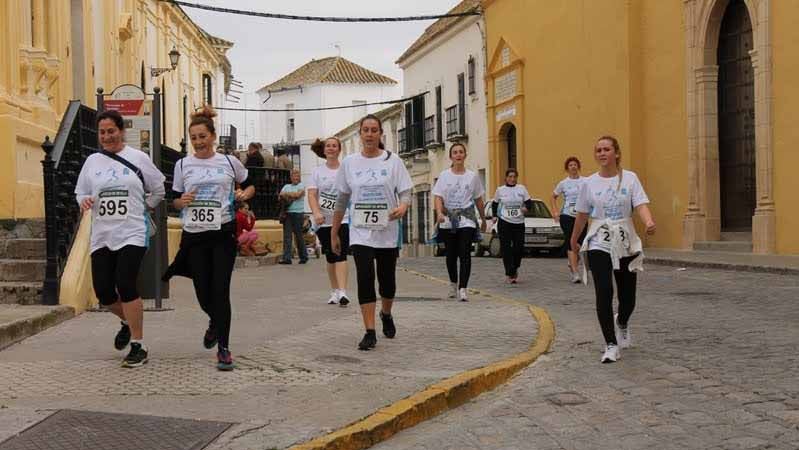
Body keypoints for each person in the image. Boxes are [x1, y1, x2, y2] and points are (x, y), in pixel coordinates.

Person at [163, 105, 255, 371]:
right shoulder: (182, 164)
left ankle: (223, 348)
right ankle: (215, 321)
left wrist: (244, 195)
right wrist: (182, 201)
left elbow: (250, 185)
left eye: (202, 136)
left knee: (220, 290)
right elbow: (175, 202)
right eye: (194, 138)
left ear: (212, 136)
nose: (198, 142)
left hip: (222, 234)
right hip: (194, 235)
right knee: (203, 292)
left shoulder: (229, 162)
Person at [75, 109, 165, 368]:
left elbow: (158, 188)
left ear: (122, 131)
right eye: (102, 132)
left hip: (132, 232)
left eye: (111, 131)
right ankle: (127, 321)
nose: (107, 136)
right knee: (104, 291)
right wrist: (85, 200)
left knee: (126, 284)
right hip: (103, 233)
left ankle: (139, 345)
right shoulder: (92, 161)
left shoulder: (138, 157)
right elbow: (80, 191)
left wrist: (144, 206)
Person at [571, 135, 656, 364]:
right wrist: (574, 239)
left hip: (626, 240)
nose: (602, 153)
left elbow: (640, 204)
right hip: (599, 240)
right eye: (598, 150)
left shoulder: (630, 178)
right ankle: (610, 344)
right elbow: (581, 214)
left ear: (616, 153)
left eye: (606, 149)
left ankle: (623, 322)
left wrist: (648, 222)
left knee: (628, 297)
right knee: (604, 290)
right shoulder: (588, 183)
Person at [331, 115, 412, 350]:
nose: (369, 134)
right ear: (360, 134)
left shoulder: (393, 161)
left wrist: (404, 205)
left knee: (387, 282)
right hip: (360, 232)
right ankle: (369, 331)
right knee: (365, 277)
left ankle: (386, 313)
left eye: (374, 130)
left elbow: (405, 192)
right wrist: (335, 232)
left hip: (387, 231)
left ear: (380, 134)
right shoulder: (350, 163)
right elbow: (342, 200)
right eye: (365, 130)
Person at [432, 143, 486, 302]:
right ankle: (453, 284)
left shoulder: (472, 176)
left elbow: (478, 199)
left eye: (461, 152)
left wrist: (483, 219)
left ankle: (463, 288)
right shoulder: (444, 175)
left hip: (466, 219)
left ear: (465, 155)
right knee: (450, 255)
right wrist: (439, 213)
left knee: (465, 254)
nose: (458, 155)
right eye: (455, 152)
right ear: (451, 157)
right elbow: (438, 197)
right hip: (448, 219)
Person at [308, 137, 351, 306]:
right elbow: (311, 194)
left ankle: (343, 292)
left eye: (335, 146)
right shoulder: (317, 172)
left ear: (339, 150)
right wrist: (317, 212)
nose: (331, 148)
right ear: (324, 150)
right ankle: (334, 291)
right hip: (323, 221)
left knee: (341, 254)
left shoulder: (345, 170)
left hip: (343, 219)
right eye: (328, 146)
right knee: (330, 257)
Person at [491, 169, 533, 284]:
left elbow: (529, 203)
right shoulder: (500, 190)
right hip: (504, 222)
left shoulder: (522, 189)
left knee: (518, 248)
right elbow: (494, 204)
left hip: (518, 222)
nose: (512, 179)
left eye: (514, 176)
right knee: (506, 248)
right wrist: (494, 216)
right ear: (506, 178)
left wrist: (526, 208)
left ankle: (515, 267)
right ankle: (510, 272)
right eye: (510, 176)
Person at [552, 156, 587, 283]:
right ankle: (575, 272)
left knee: (581, 243)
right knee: (571, 241)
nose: (573, 167)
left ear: (578, 167)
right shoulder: (563, 183)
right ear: (567, 168)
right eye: (570, 165)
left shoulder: (585, 181)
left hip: (582, 216)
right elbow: (553, 196)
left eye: (575, 164)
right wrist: (555, 211)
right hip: (567, 216)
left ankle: (572, 261)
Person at [278, 169, 307, 264]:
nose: (295, 177)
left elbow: (298, 194)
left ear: (299, 177)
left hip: (298, 213)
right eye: (293, 176)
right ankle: (287, 258)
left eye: (297, 176)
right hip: (288, 213)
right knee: (287, 236)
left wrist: (287, 195)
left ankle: (303, 257)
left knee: (299, 236)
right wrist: (291, 195)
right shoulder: (286, 186)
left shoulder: (301, 186)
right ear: (291, 177)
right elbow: (280, 196)